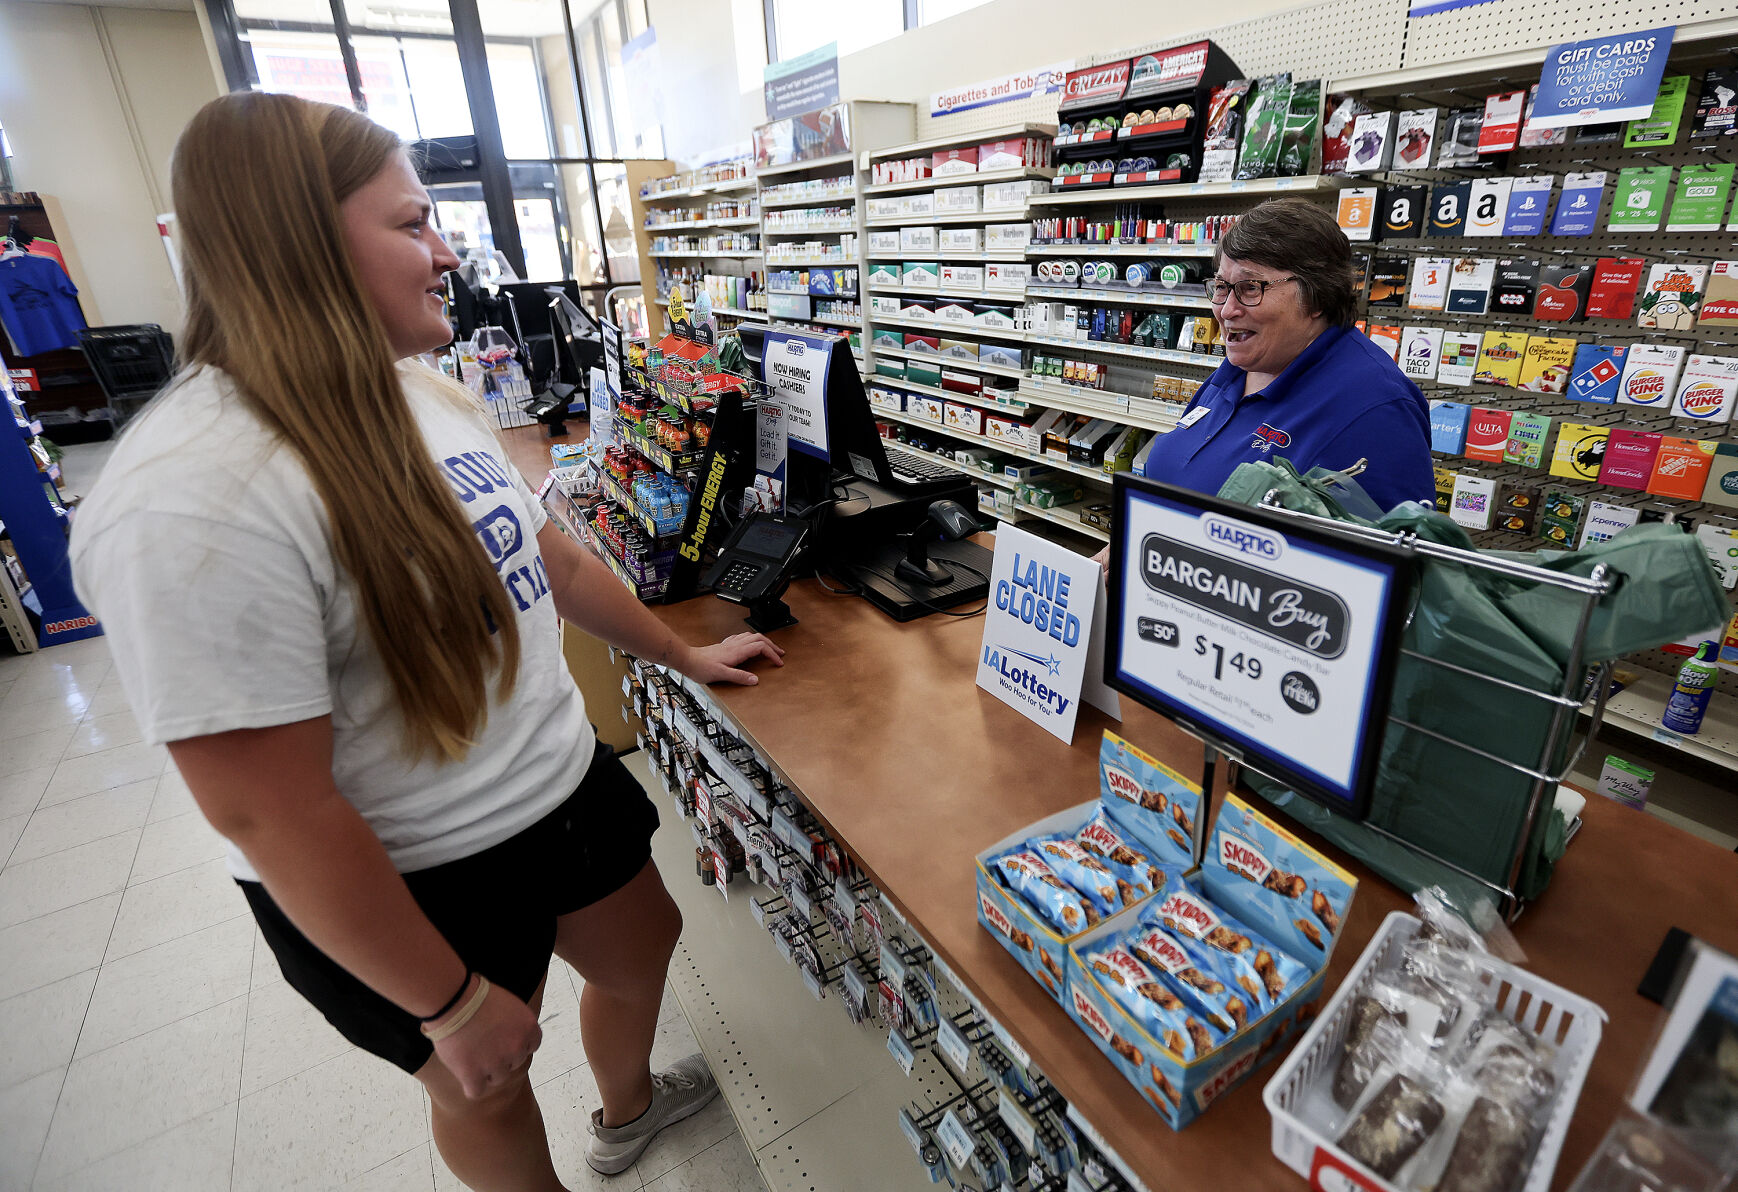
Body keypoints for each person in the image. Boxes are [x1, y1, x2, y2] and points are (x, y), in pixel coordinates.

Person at [70, 92, 783, 1192]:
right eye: (410, 224)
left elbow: (555, 561)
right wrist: (447, 1004)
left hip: (554, 788)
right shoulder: (188, 499)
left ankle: (627, 1108)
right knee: (482, 1084)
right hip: (409, 874)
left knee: (644, 942)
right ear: (299, 241)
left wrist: (679, 653)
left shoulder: (422, 396)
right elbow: (268, 809)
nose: (444, 251)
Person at [1140, 197, 1434, 512]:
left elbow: (1386, 555)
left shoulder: (1376, 409)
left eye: (1250, 287)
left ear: (1317, 295)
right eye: (1222, 286)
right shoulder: (1238, 370)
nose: (1226, 310)